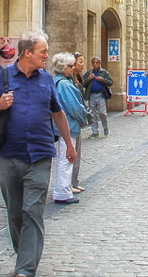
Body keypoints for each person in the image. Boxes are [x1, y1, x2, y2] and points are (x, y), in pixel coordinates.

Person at [0, 31, 76, 277]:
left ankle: (25, 269)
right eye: (43, 51)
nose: (47, 55)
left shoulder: (47, 80)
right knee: (15, 212)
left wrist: (69, 145)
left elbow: (58, 113)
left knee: (32, 211)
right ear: (27, 53)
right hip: (9, 156)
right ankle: (25, 254)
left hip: (40, 155)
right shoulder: (1, 76)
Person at [51, 52, 89, 204]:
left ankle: (63, 189)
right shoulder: (65, 84)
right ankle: (62, 191)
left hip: (63, 125)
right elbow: (74, 107)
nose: (73, 69)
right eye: (70, 66)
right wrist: (84, 118)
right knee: (67, 158)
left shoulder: (59, 82)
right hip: (68, 125)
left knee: (65, 158)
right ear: (62, 67)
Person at [82, 57, 113, 138]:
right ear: (92, 64)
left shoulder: (104, 72)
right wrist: (89, 79)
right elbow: (83, 83)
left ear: (100, 63)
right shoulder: (89, 73)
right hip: (91, 95)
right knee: (93, 114)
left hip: (101, 95)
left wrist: (103, 80)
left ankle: (105, 127)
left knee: (102, 113)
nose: (95, 64)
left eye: (97, 62)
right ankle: (95, 131)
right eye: (93, 63)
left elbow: (110, 82)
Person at [70, 53, 87, 194]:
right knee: (71, 153)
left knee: (77, 153)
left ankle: (74, 181)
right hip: (72, 122)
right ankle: (69, 184)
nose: (83, 64)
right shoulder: (68, 81)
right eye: (80, 62)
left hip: (78, 121)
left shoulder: (79, 78)